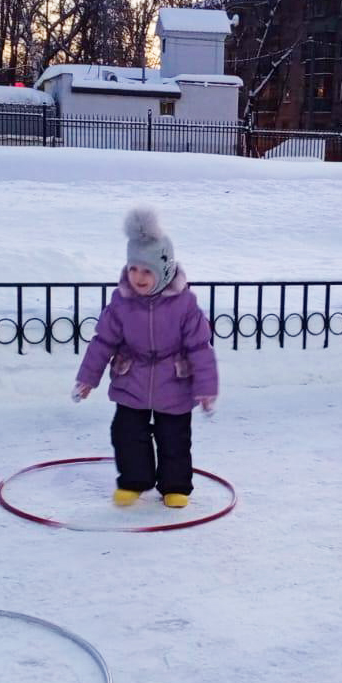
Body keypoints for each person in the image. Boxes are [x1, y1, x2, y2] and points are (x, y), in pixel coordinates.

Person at [73, 207, 218, 509]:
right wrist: (88, 378)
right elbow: (102, 342)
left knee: (174, 438)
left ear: (164, 270)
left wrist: (205, 388)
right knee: (127, 433)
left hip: (174, 382)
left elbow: (200, 348)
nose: (138, 277)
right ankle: (134, 481)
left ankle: (174, 486)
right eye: (133, 269)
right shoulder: (121, 303)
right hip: (132, 379)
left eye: (147, 270)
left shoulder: (185, 306)